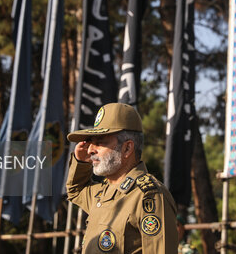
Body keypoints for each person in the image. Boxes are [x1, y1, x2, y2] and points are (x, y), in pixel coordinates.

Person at [66, 102, 178, 253]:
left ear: (127, 148)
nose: (91, 149)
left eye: (100, 143)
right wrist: (80, 162)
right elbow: (75, 191)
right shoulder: (103, 193)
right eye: (91, 143)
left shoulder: (149, 195)